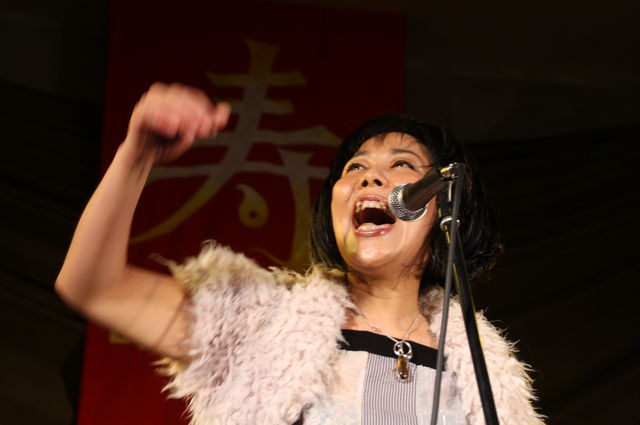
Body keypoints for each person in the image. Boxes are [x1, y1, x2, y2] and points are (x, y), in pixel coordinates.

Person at [56, 83, 544, 425]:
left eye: (402, 165)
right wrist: (137, 154)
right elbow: (93, 287)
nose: (371, 178)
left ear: (442, 208)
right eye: (355, 168)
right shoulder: (258, 323)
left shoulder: (484, 376)